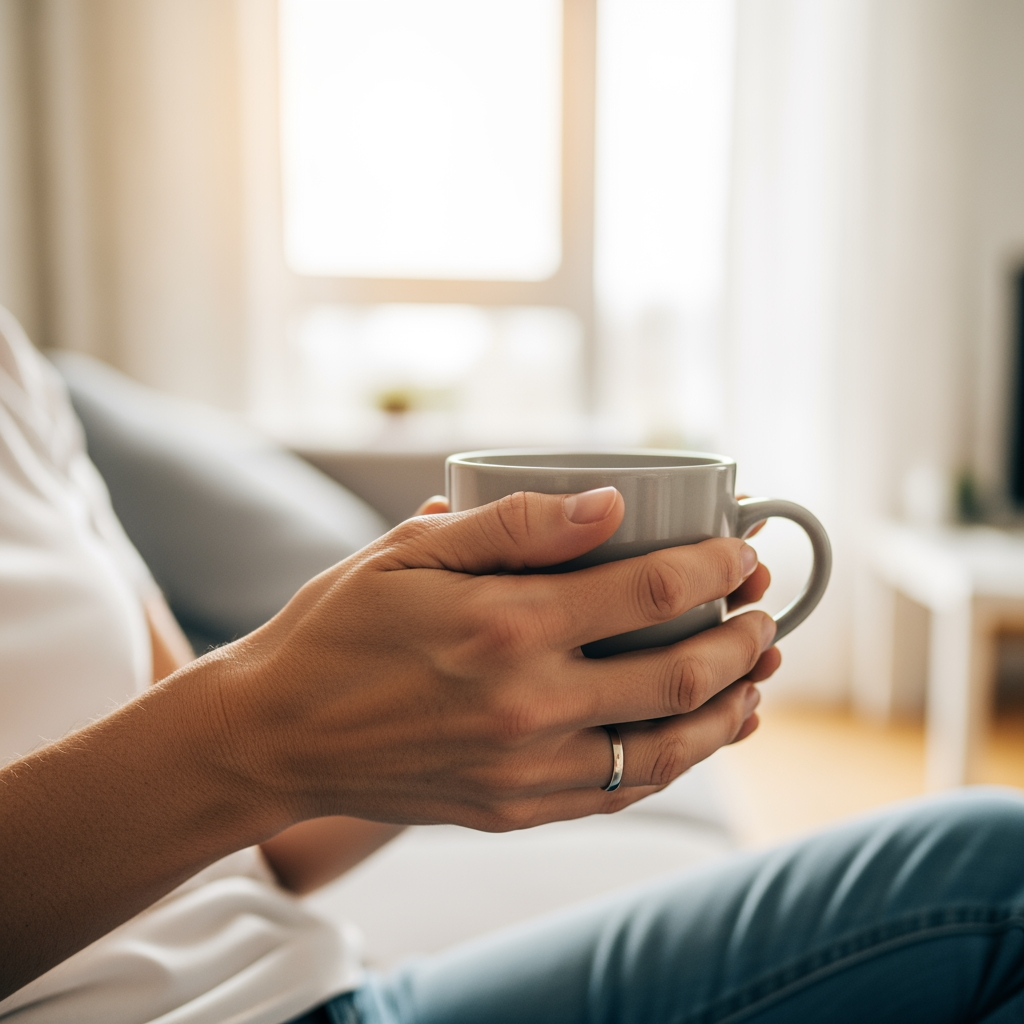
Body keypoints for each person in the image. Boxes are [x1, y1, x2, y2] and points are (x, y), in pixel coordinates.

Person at [0, 304, 1022, 1024]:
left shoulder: (15, 375)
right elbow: (230, 753)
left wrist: (474, 717)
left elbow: (250, 849)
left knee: (997, 866)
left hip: (332, 992)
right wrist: (253, 731)